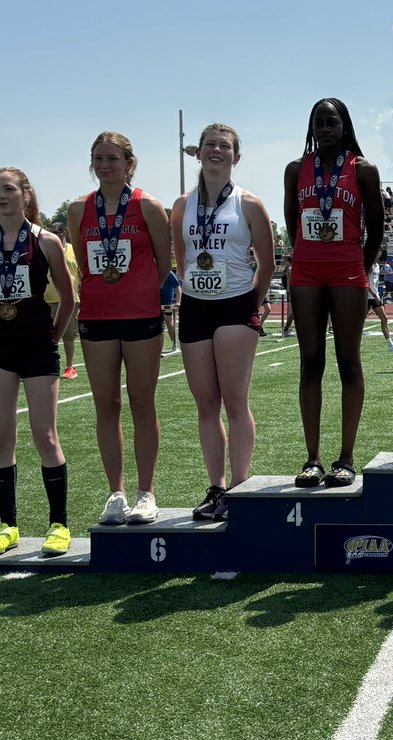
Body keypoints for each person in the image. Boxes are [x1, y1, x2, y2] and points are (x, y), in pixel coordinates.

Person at [171, 123, 274, 521]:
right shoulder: (182, 205)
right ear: (198, 153)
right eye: (210, 145)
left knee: (235, 401)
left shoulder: (249, 204)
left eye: (225, 146)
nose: (216, 151)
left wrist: (253, 301)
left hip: (235, 306)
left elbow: (266, 262)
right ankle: (215, 488)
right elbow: (181, 257)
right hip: (196, 306)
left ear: (236, 156)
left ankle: (241, 488)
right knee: (205, 403)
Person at [0, 168, 75, 555]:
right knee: (2, 437)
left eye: (8, 189)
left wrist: (52, 333)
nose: (1, 196)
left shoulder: (46, 241)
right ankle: (8, 526)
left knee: (45, 436)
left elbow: (69, 297)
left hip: (37, 348)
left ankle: (59, 524)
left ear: (26, 194)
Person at [68, 132, 171, 525]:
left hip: (140, 316)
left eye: (112, 158)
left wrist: (139, 291)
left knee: (142, 404)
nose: (105, 165)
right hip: (96, 317)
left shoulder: (148, 205)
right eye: (98, 158)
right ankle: (116, 493)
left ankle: (146, 493)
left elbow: (165, 263)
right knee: (106, 406)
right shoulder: (79, 209)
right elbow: (84, 259)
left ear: (129, 163)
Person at [284, 98, 383, 488]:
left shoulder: (364, 170)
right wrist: (309, 254)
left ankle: (345, 457)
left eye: (332, 122)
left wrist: (360, 264)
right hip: (307, 271)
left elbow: (375, 228)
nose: (325, 129)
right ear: (311, 128)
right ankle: (312, 458)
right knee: (310, 362)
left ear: (345, 127)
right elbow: (293, 223)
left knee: (348, 363)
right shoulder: (296, 170)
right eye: (319, 123)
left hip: (347, 270)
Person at [43, 223, 81, 379]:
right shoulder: (45, 249)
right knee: (46, 335)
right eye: (50, 232)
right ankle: (46, 364)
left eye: (56, 232)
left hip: (70, 300)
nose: (53, 234)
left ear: (64, 233)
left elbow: (82, 273)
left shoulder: (74, 250)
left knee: (69, 335)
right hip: (47, 299)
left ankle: (69, 366)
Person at [159, 269, 181, 356]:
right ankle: (157, 347)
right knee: (157, 324)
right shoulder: (152, 271)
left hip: (166, 301)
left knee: (169, 322)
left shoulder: (169, 273)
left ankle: (175, 345)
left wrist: (178, 302)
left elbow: (178, 288)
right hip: (155, 300)